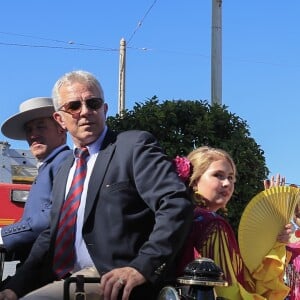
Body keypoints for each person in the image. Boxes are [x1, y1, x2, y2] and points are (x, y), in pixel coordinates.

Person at [0, 70, 193, 300]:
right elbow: (51, 234)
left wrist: (142, 266)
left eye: (93, 103)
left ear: (105, 109)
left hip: (113, 280)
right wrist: (16, 286)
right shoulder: (65, 169)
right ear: (60, 119)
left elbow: (175, 203)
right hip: (60, 277)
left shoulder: (133, 146)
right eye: (73, 106)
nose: (85, 112)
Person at [174, 146, 293, 300]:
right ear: (195, 181)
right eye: (218, 175)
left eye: (231, 177)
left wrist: (274, 239)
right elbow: (226, 293)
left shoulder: (184, 215)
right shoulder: (213, 223)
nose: (227, 183)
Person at [0, 97, 71, 263]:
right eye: (29, 129)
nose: (33, 134)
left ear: (61, 128)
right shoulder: (49, 167)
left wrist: (4, 236)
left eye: (41, 126)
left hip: (52, 271)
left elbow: (55, 215)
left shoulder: (66, 162)